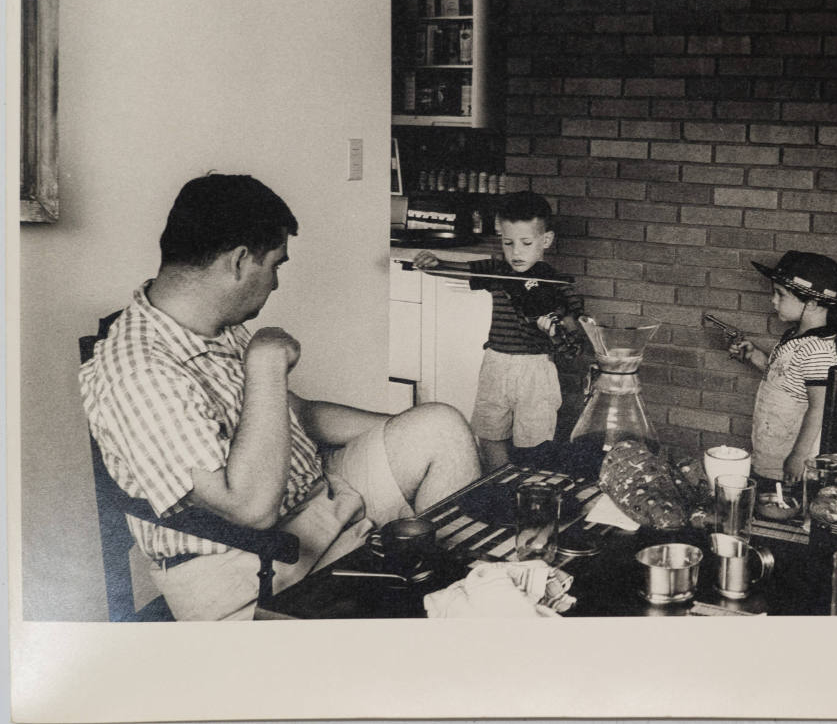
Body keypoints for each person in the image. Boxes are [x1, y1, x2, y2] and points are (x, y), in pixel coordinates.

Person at [79, 174, 481, 620]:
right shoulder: (140, 372)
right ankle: (460, 610)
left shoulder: (213, 323)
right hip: (252, 568)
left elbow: (300, 416)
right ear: (238, 261)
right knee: (441, 603)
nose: (275, 284)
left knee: (441, 426)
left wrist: (413, 432)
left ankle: (465, 595)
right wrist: (265, 364)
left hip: (324, 503)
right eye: (275, 265)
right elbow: (248, 511)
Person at [412, 191, 584, 471]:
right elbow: (459, 270)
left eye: (526, 243)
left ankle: (528, 493)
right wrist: (435, 265)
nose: (516, 253)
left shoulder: (557, 284)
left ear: (546, 241)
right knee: (490, 434)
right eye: (508, 243)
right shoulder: (497, 270)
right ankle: (497, 489)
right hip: (495, 362)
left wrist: (554, 331)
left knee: (535, 442)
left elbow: (573, 341)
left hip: (534, 370)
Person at [729, 251, 837, 484]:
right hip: (772, 450)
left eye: (780, 294)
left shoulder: (818, 350)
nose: (773, 301)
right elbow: (785, 379)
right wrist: (755, 356)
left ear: (811, 303)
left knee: (783, 504)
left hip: (791, 461)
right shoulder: (796, 336)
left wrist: (799, 456)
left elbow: (819, 408)